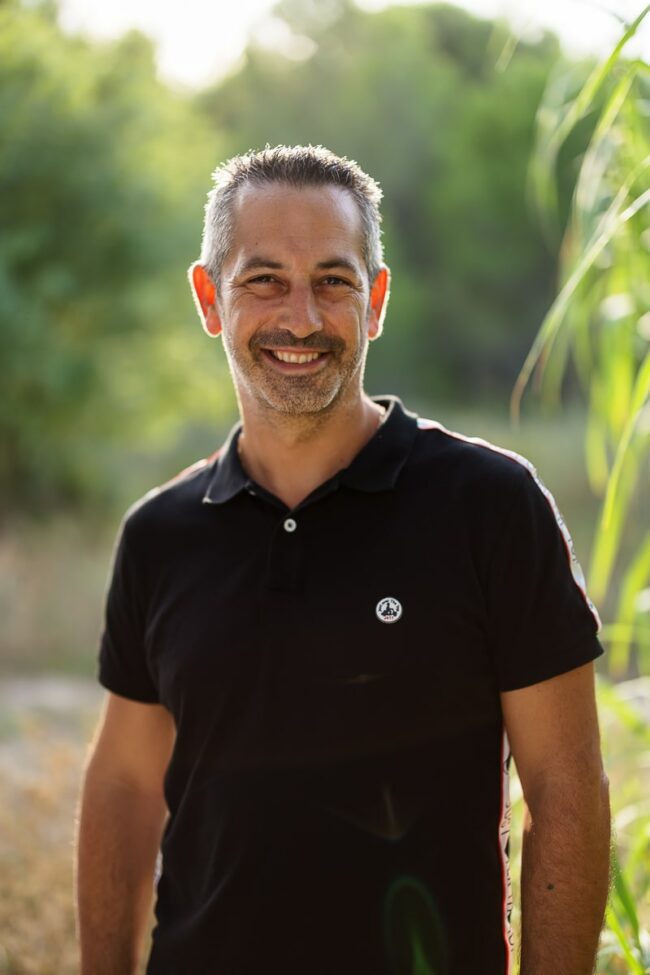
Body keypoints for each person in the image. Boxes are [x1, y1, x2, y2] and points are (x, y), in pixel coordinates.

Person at [76, 145, 611, 975]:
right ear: (210, 297)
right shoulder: (160, 533)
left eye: (334, 280)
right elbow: (121, 785)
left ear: (378, 300)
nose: (302, 317)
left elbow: (566, 792)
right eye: (264, 280)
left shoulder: (492, 506)